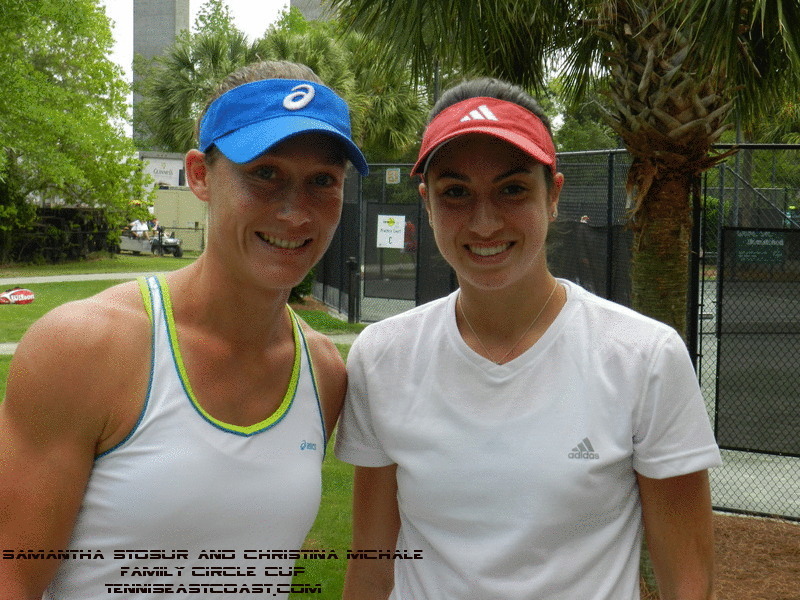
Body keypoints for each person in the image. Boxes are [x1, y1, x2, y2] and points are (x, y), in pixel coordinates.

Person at [335, 78, 721, 600]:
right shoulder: (382, 357)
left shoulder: (643, 356)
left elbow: (687, 579)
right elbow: (373, 567)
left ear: (553, 195)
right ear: (426, 203)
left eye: (512, 189)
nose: (485, 220)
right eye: (456, 193)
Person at [0, 60, 368, 599]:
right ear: (199, 174)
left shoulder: (323, 373)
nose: (295, 212)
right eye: (265, 173)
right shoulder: (88, 346)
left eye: (322, 181)